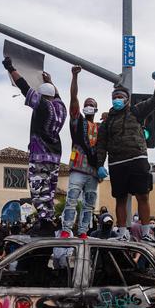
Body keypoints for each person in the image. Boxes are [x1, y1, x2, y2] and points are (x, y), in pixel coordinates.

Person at [95, 72, 155, 243]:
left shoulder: (136, 111)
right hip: (117, 163)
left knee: (143, 196)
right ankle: (122, 232)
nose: (117, 99)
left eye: (120, 96)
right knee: (120, 199)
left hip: (137, 159)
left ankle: (146, 232)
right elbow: (101, 145)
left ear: (127, 99)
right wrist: (99, 165)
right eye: (115, 96)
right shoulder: (107, 122)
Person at [2, 57, 67, 236]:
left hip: (39, 155)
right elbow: (58, 95)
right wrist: (51, 82)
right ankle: (48, 220)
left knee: (38, 190)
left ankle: (45, 223)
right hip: (55, 157)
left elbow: (24, 87)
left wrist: (10, 68)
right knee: (50, 191)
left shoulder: (42, 104)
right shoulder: (61, 107)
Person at [60, 65, 99, 239]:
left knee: (89, 203)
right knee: (72, 198)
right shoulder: (77, 121)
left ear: (95, 110)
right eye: (86, 104)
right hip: (78, 168)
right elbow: (73, 97)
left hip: (93, 171)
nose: (88, 106)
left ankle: (83, 231)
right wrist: (74, 77)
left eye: (92, 105)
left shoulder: (100, 128)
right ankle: (66, 230)